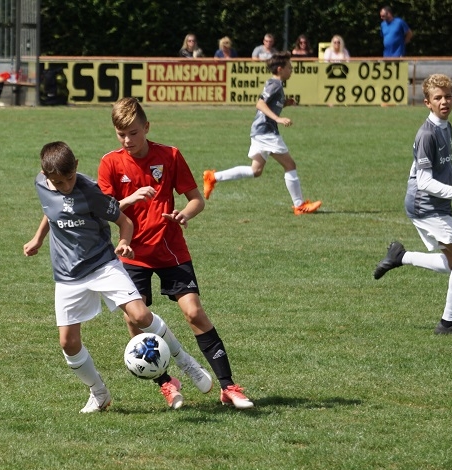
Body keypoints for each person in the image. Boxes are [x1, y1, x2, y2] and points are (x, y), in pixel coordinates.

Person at [24, 141, 206, 413]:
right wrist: (38, 239)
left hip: (102, 265)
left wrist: (123, 242)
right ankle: (99, 393)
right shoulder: (41, 184)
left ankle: (185, 361)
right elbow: (50, 209)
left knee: (140, 315)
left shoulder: (90, 191)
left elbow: (125, 221)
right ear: (45, 175)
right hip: (67, 275)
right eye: (58, 182)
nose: (66, 186)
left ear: (76, 166)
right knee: (68, 343)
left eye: (69, 178)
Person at [97, 97, 255, 410]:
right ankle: (166, 382)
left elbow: (197, 199)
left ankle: (228, 387)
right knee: (134, 319)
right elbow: (104, 209)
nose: (127, 140)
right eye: (121, 134)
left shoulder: (169, 156)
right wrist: (131, 198)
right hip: (132, 252)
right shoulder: (110, 163)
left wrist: (184, 214)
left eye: (133, 133)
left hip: (171, 249)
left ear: (147, 127)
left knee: (194, 312)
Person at [373, 74, 452, 336]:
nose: (444, 102)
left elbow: (445, 165)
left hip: (436, 203)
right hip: (424, 204)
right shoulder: (426, 134)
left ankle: (401, 256)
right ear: (427, 102)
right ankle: (448, 324)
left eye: (448, 97)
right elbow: (423, 181)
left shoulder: (446, 127)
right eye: (438, 98)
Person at [203, 52, 322, 215]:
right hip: (266, 131)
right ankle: (299, 205)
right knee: (290, 165)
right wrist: (278, 118)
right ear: (280, 69)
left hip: (260, 131)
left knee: (256, 170)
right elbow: (260, 104)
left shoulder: (276, 84)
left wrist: (284, 104)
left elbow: (269, 104)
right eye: (289, 67)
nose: (291, 70)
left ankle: (213, 177)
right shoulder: (275, 84)